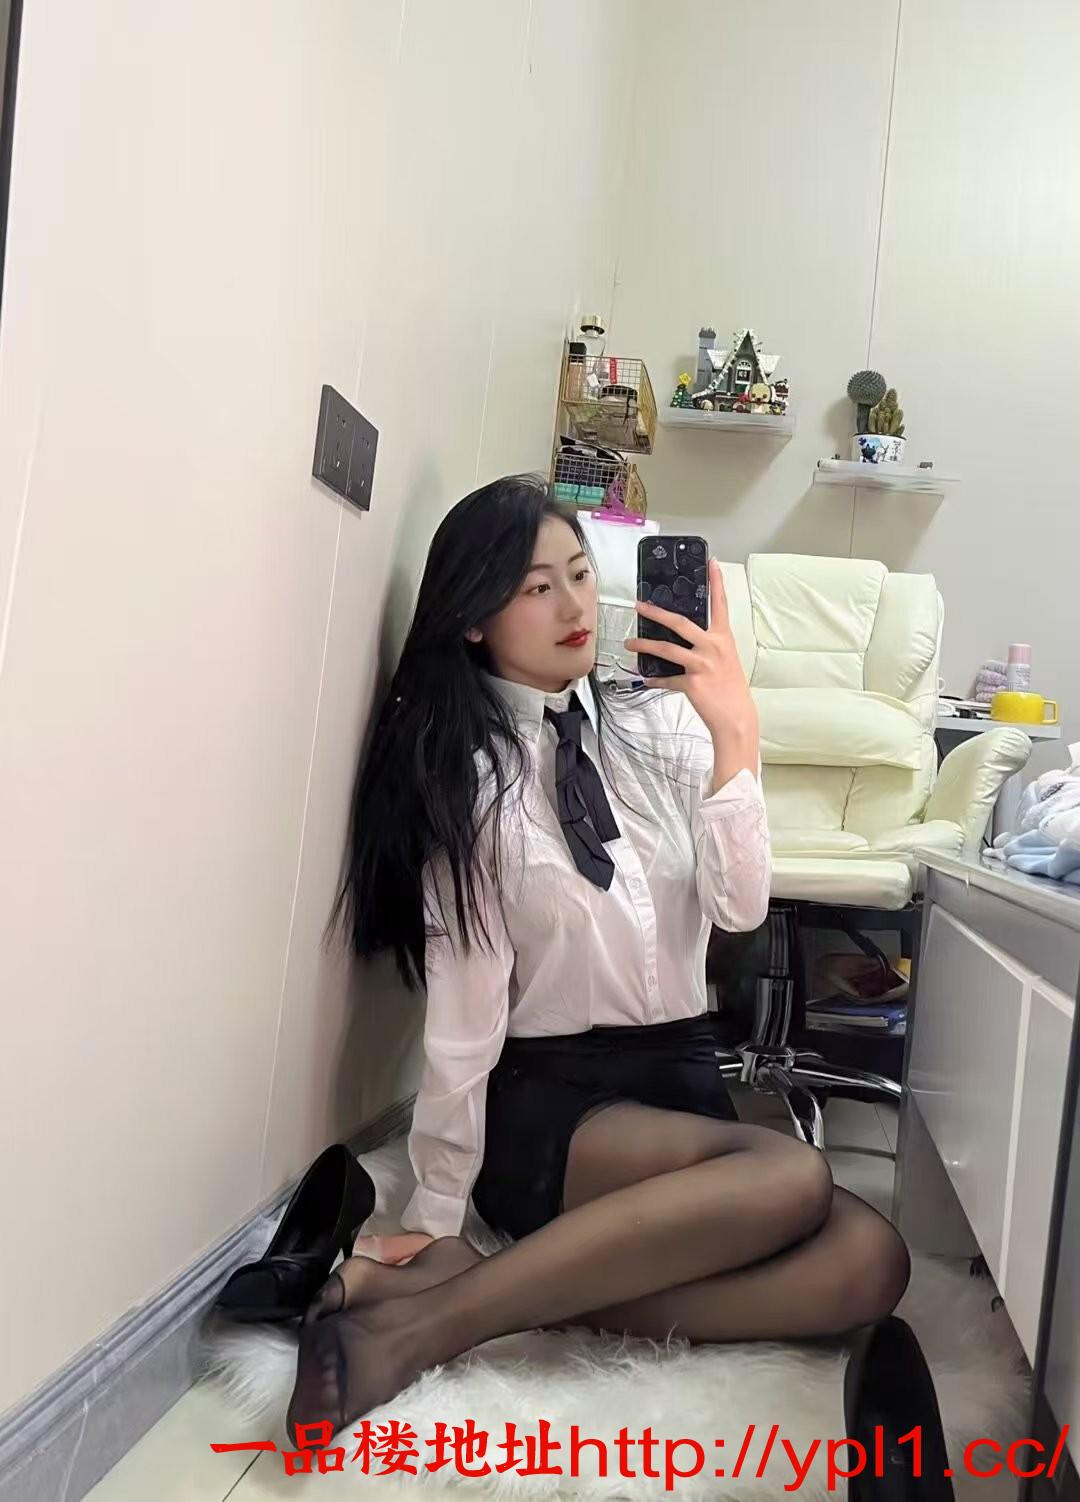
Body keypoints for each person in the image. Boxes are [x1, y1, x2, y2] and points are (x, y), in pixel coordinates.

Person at [287, 475, 910, 1441]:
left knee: (872, 1261)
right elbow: (465, 1019)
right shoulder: (466, 782)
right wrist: (438, 1209)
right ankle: (415, 1336)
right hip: (555, 1101)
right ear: (473, 619)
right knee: (792, 1177)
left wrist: (735, 730)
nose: (575, 607)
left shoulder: (658, 723)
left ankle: (478, 1293)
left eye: (580, 575)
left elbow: (741, 907)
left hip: (681, 1078)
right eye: (537, 588)